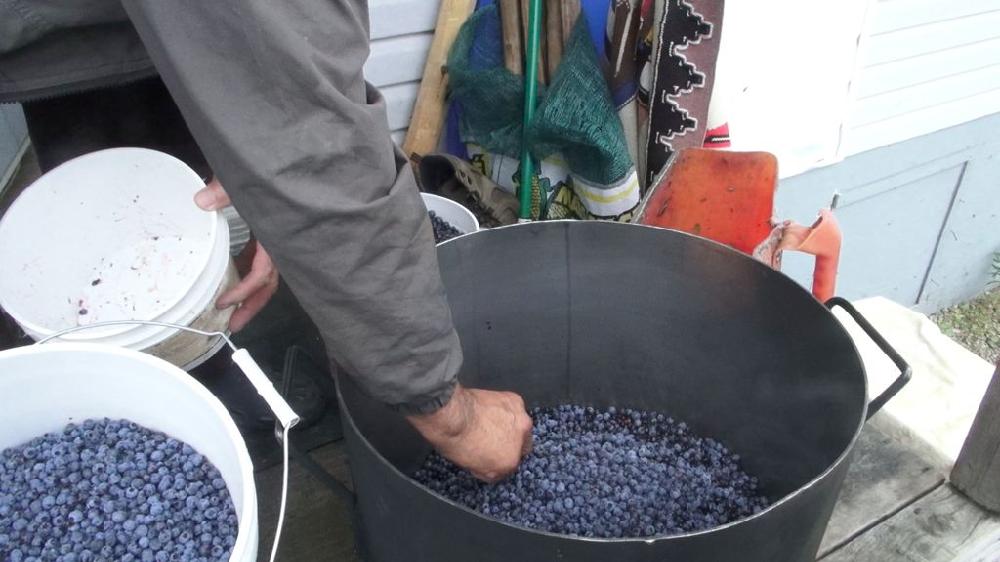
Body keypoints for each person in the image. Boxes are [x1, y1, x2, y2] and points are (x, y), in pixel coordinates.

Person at [0, 0, 533, 483]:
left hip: (103, 33)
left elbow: (285, 92)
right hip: (57, 42)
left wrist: (266, 182)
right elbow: (316, 145)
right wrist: (452, 416)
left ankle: (198, 370)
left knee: (157, 206)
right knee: (91, 239)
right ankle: (125, 417)